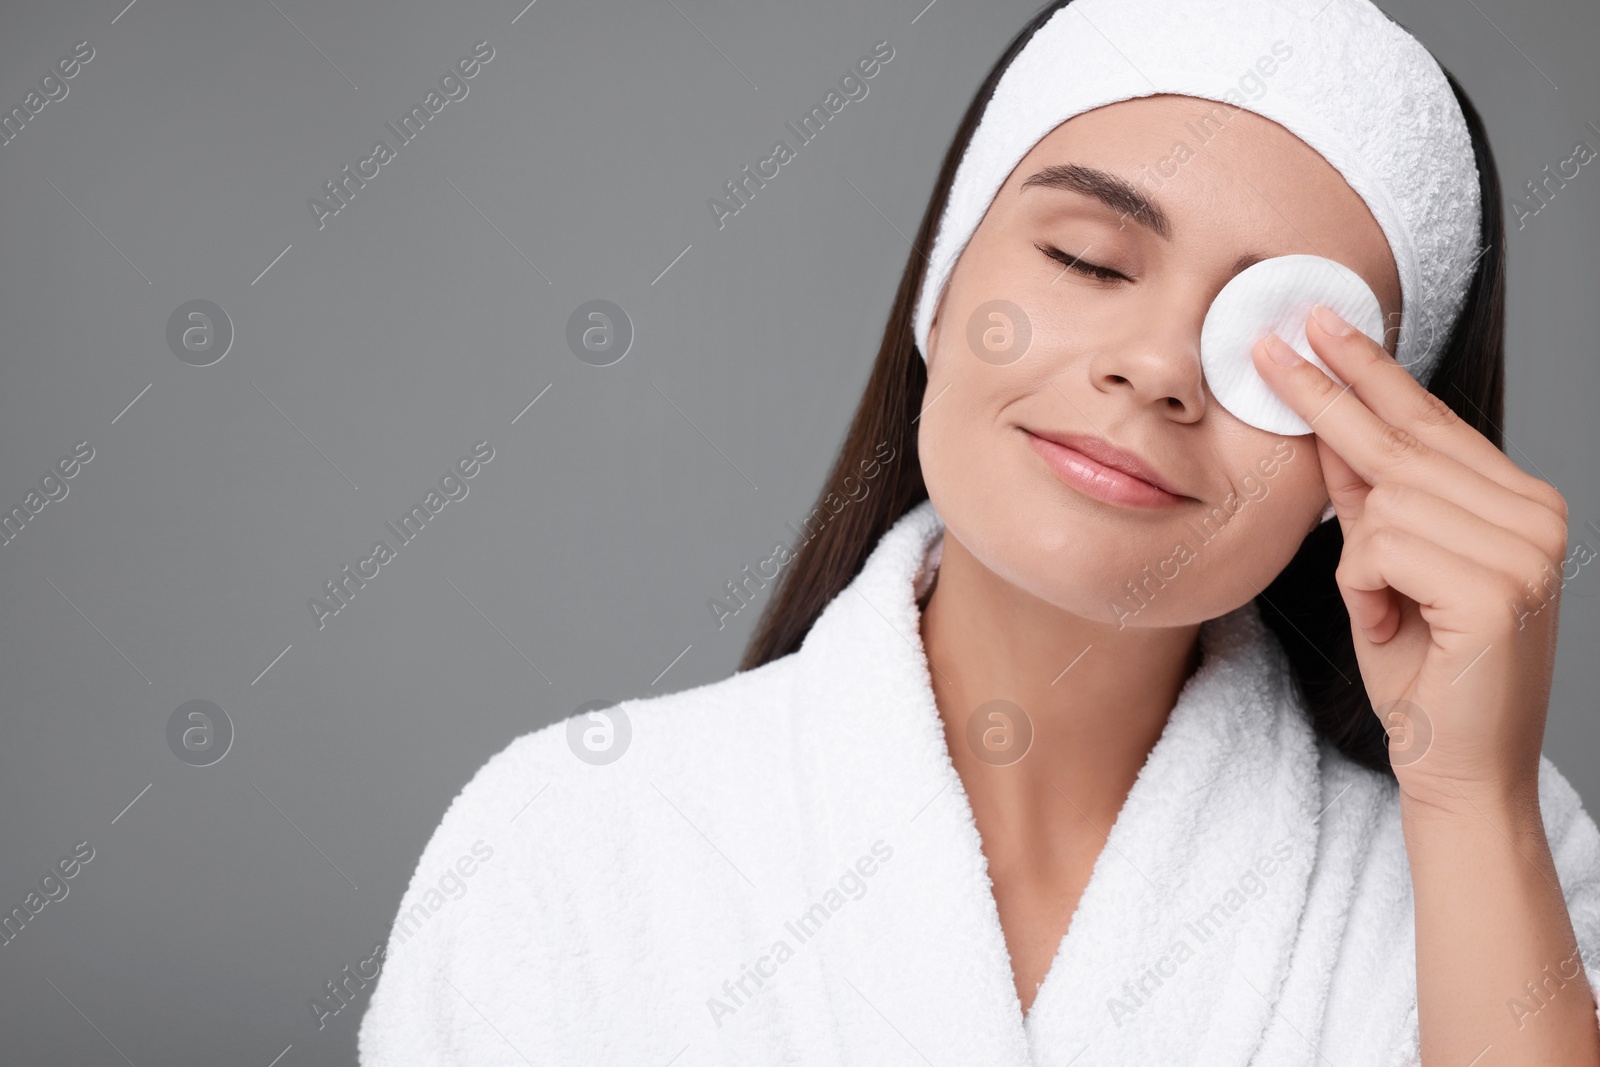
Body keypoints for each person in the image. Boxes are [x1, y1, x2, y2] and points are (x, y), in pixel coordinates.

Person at [359, 0, 1600, 1063]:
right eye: (1087, 259)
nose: (1160, 367)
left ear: (1369, 460)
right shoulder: (574, 842)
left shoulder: (1499, 866)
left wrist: (1469, 800)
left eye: (1281, 345)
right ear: (942, 296)